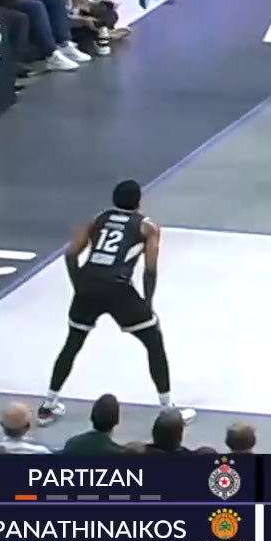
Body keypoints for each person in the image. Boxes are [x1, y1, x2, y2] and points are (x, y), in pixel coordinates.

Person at [37, 180, 193, 426]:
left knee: (73, 343)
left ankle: (48, 406)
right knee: (153, 342)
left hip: (88, 285)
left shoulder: (99, 219)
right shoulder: (147, 226)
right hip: (118, 288)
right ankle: (167, 410)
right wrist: (147, 302)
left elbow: (71, 253)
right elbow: (150, 269)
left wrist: (78, 284)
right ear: (139, 200)